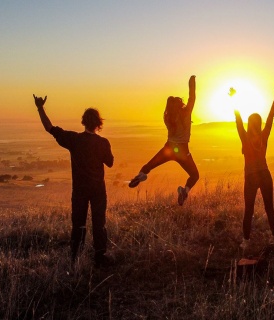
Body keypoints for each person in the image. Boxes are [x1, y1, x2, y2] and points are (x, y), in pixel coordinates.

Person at [33, 95, 114, 267]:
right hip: (98, 190)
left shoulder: (74, 139)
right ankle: (100, 257)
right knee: (99, 224)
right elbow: (110, 163)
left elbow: (49, 128)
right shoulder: (103, 143)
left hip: (79, 190)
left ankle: (75, 258)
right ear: (99, 123)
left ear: (83, 122)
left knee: (78, 224)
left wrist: (40, 108)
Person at [128, 75, 199, 206]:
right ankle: (184, 191)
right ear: (179, 105)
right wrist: (192, 82)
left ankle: (141, 175)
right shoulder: (186, 113)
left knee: (149, 166)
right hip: (182, 150)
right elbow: (192, 98)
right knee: (194, 175)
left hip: (169, 148)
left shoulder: (167, 118)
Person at [235, 85, 274, 249]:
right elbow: (271, 117)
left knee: (248, 209)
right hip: (264, 174)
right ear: (259, 123)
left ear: (250, 124)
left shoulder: (245, 137)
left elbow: (238, 121)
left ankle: (246, 241)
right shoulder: (264, 136)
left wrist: (234, 99)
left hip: (250, 176)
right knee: (269, 207)